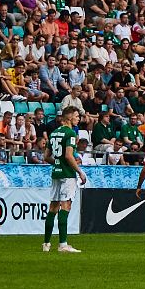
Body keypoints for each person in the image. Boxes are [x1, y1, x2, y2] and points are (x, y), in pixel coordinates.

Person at [43, 107, 87, 254]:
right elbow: (69, 156)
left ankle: (46, 243)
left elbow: (46, 156)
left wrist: (57, 163)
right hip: (67, 174)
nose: (78, 119)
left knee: (53, 208)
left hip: (56, 173)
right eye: (76, 116)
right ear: (69, 118)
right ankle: (63, 244)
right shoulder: (70, 133)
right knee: (65, 206)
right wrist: (79, 171)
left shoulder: (54, 133)